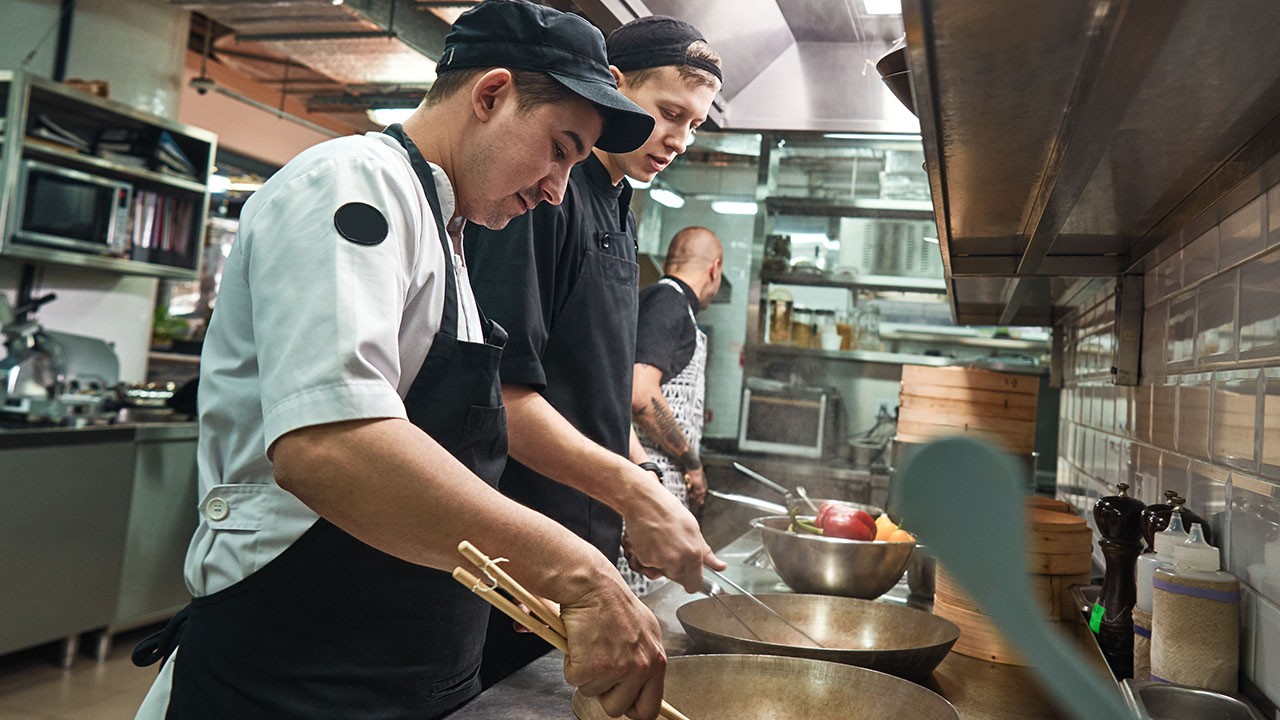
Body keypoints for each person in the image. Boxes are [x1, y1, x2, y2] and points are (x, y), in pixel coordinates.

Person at [130, 2, 671, 719]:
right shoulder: (353, 182)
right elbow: (332, 447)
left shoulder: (448, 235)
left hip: (397, 671)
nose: (555, 190)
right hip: (293, 674)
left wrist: (521, 579)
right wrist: (577, 572)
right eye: (559, 148)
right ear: (491, 95)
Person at [463, 15, 725, 685]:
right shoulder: (539, 196)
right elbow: (501, 395)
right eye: (670, 112)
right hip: (520, 546)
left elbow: (595, 387)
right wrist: (636, 497)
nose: (680, 139)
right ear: (614, 87)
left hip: (583, 545)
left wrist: (645, 482)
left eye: (695, 124)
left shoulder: (620, 206)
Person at [621, 227, 723, 596]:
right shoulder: (668, 303)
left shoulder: (663, 301)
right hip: (646, 488)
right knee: (638, 602)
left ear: (667, 262)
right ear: (714, 269)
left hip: (653, 494)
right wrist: (691, 461)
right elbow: (640, 394)